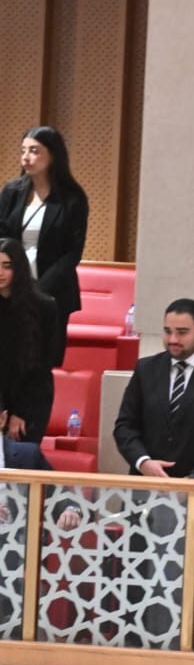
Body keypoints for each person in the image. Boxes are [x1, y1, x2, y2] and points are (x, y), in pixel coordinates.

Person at [113, 298, 194, 480]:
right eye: (168, 331)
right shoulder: (145, 369)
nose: (173, 339)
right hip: (146, 485)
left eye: (182, 332)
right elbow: (125, 427)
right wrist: (143, 462)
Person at [0, 127, 88, 365]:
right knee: (8, 360)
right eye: (23, 151)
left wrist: (39, 290)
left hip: (53, 293)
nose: (26, 157)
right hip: (11, 290)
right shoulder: (11, 192)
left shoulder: (73, 198)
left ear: (53, 155)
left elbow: (72, 253)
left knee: (43, 363)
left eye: (34, 151)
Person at [0, 237, 61, 443]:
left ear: (19, 268)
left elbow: (43, 366)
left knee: (21, 455)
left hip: (31, 397)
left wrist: (21, 412)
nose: (0, 272)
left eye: (7, 266)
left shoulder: (44, 306)